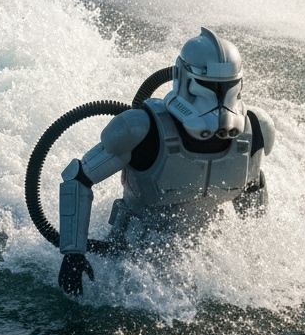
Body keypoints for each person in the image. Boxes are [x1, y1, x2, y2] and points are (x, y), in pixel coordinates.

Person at [56, 28, 274, 294]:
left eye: (225, 87)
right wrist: (73, 255)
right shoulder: (140, 128)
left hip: (204, 259)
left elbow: (251, 189)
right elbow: (78, 178)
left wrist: (257, 265)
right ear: (183, 79)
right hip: (129, 260)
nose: (217, 100)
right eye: (208, 88)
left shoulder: (255, 130)